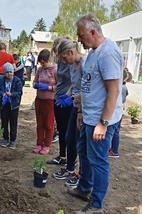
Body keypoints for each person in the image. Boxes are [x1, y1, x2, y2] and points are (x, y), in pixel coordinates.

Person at [68, 14, 123, 214]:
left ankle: (96, 204)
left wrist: (103, 123)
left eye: (81, 35)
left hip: (101, 120)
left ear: (92, 32)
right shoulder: (92, 52)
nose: (79, 39)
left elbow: (114, 91)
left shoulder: (108, 53)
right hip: (89, 116)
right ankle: (84, 188)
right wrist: (82, 111)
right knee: (83, 152)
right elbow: (89, 84)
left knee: (98, 161)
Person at [52, 38, 83, 190]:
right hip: (75, 105)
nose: (63, 61)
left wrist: (75, 99)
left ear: (70, 52)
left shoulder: (84, 64)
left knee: (81, 143)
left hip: (83, 109)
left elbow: (88, 87)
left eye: (64, 57)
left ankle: (80, 175)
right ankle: (69, 169)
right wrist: (67, 94)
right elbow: (74, 85)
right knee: (69, 138)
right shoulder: (72, 65)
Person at [47, 38, 73, 166]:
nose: (56, 55)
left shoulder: (71, 62)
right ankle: (62, 157)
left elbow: (76, 82)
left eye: (57, 52)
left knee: (69, 132)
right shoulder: (60, 61)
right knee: (61, 130)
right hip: (58, 99)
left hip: (68, 101)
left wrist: (68, 96)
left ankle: (70, 160)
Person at [32, 49, 57, 155]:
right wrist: (36, 85)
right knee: (40, 123)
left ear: (48, 60)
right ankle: (39, 143)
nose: (42, 64)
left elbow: (60, 87)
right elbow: (34, 82)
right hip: (39, 100)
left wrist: (48, 87)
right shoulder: (40, 70)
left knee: (48, 124)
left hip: (50, 101)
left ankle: (47, 145)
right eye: (41, 63)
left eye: (43, 62)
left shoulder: (55, 70)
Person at [0, 63, 23, 149]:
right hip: (4, 104)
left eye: (10, 72)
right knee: (4, 122)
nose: (9, 74)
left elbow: (19, 92)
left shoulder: (17, 80)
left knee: (13, 123)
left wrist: (12, 94)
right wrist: (3, 94)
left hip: (13, 105)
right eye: (7, 72)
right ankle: (5, 139)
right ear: (4, 73)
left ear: (13, 72)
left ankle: (13, 141)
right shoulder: (1, 80)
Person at [108, 68, 130, 159]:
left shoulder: (120, 87)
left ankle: (114, 151)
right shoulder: (124, 87)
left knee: (114, 132)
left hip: (116, 111)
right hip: (120, 110)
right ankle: (113, 150)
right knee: (116, 131)